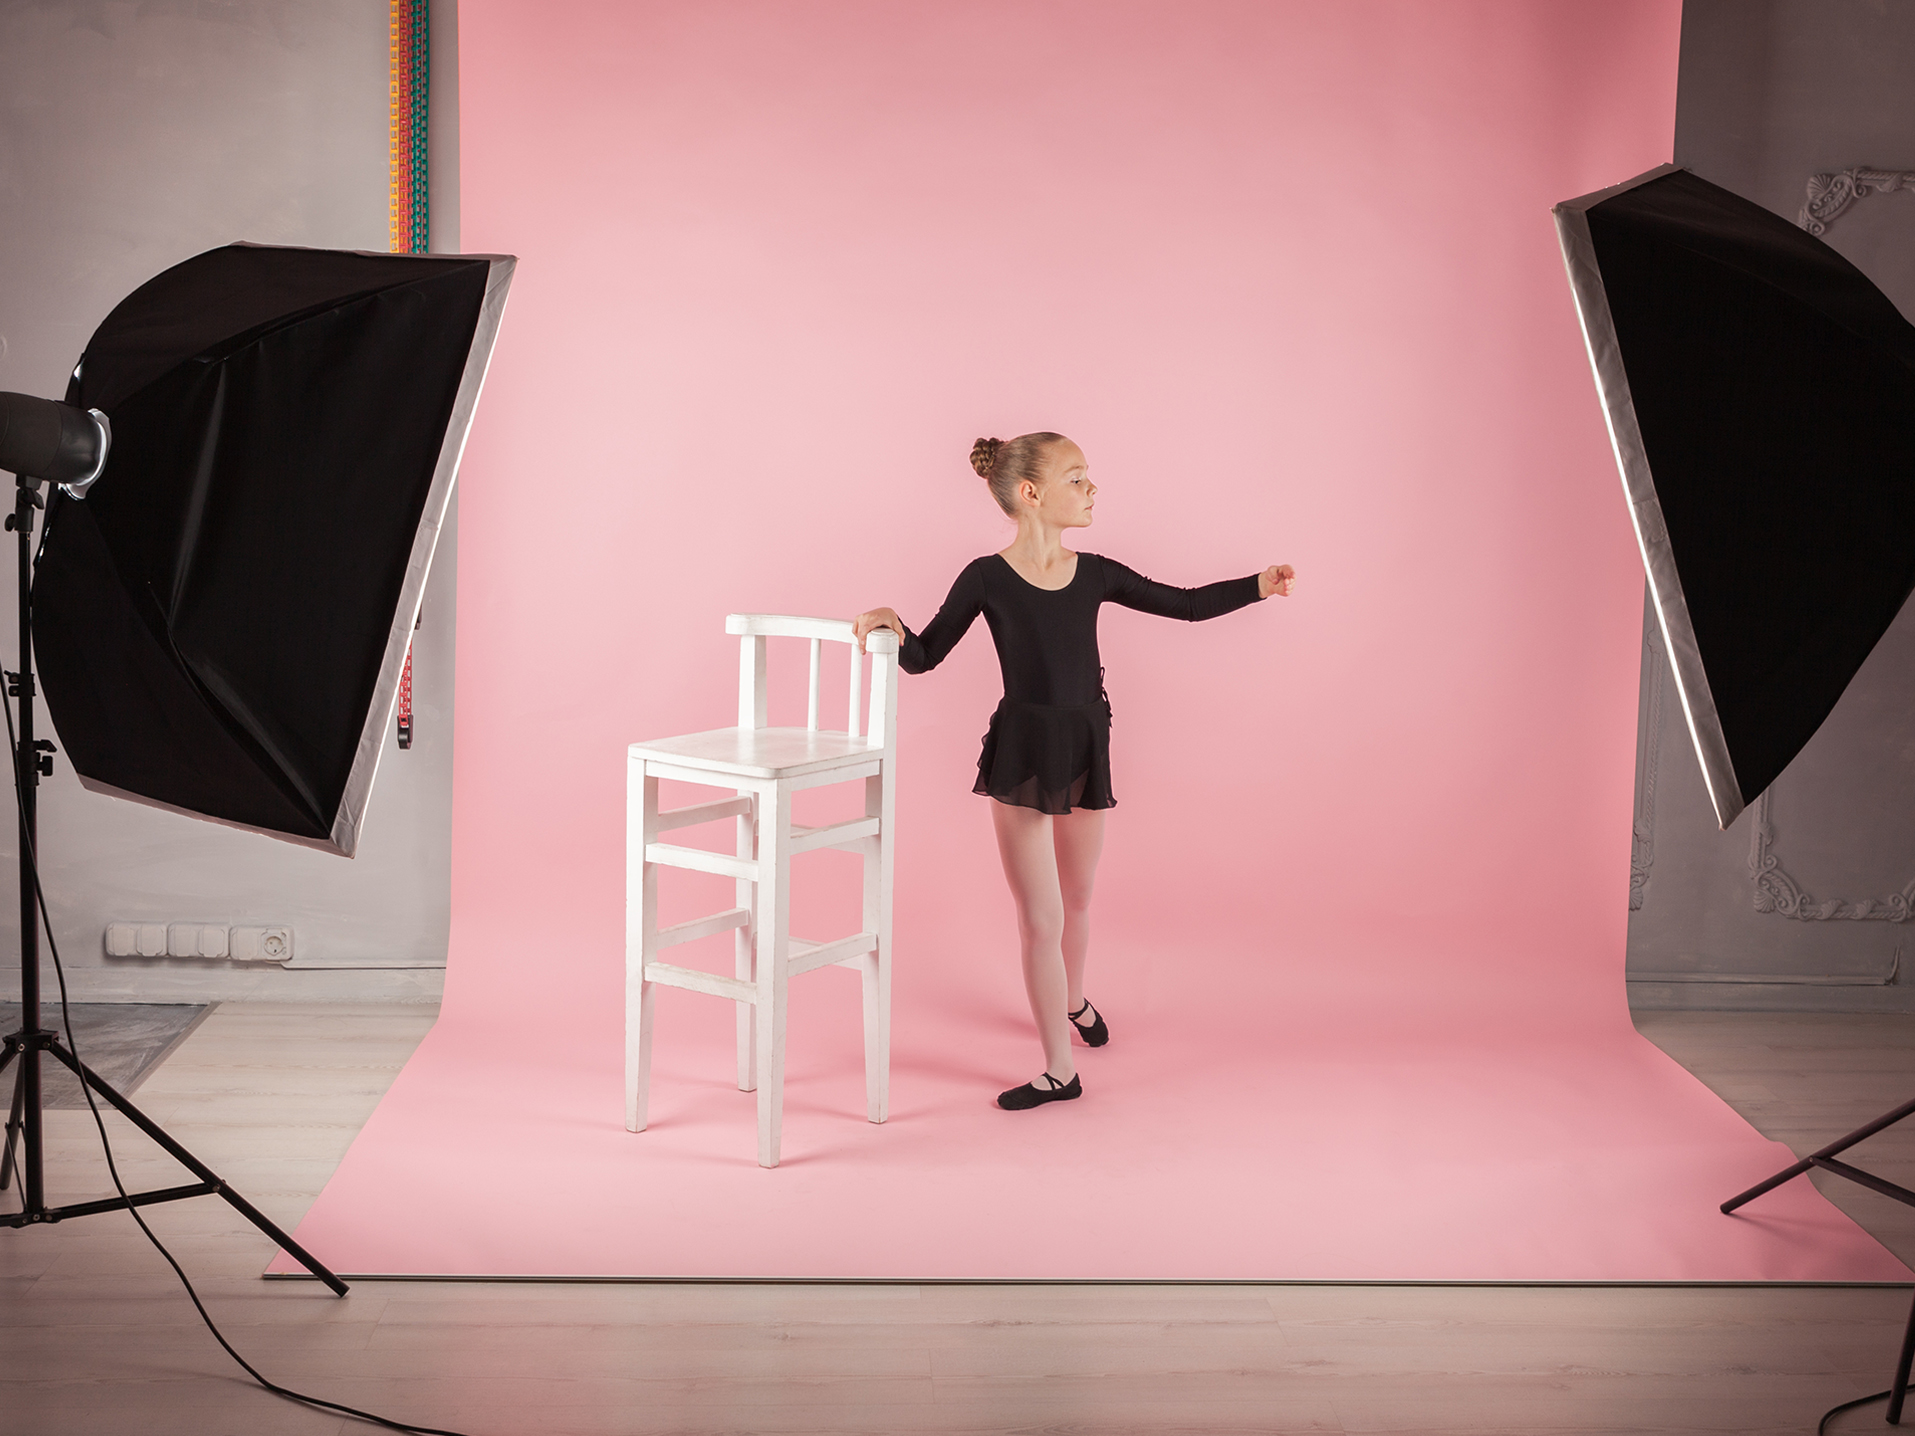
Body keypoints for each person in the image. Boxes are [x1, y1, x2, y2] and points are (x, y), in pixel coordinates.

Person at [852, 432, 1296, 1111]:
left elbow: (1184, 603)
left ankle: (1075, 998)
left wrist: (1256, 587)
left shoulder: (1094, 573)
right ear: (1032, 494)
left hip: (1085, 740)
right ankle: (1060, 1070)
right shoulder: (985, 577)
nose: (1092, 490)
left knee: (1079, 898)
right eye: (1078, 479)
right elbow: (925, 656)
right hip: (1024, 749)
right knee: (1041, 918)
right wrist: (892, 626)